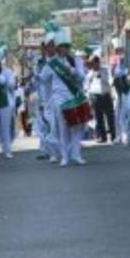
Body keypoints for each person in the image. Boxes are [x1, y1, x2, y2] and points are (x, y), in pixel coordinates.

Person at [37, 32, 89, 166]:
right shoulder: (52, 63)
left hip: (74, 96)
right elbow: (42, 79)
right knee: (62, 127)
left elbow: (82, 77)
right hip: (59, 99)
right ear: (58, 48)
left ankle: (76, 154)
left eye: (67, 46)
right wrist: (35, 72)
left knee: (76, 126)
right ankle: (64, 156)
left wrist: (72, 70)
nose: (65, 49)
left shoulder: (75, 61)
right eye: (62, 46)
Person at [84, 54, 116, 144]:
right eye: (91, 63)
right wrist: (88, 96)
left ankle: (113, 136)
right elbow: (86, 86)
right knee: (98, 118)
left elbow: (110, 81)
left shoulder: (105, 70)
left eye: (93, 63)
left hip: (105, 95)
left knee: (110, 117)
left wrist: (102, 77)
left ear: (98, 63)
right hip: (95, 96)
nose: (92, 65)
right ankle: (102, 137)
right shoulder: (90, 73)